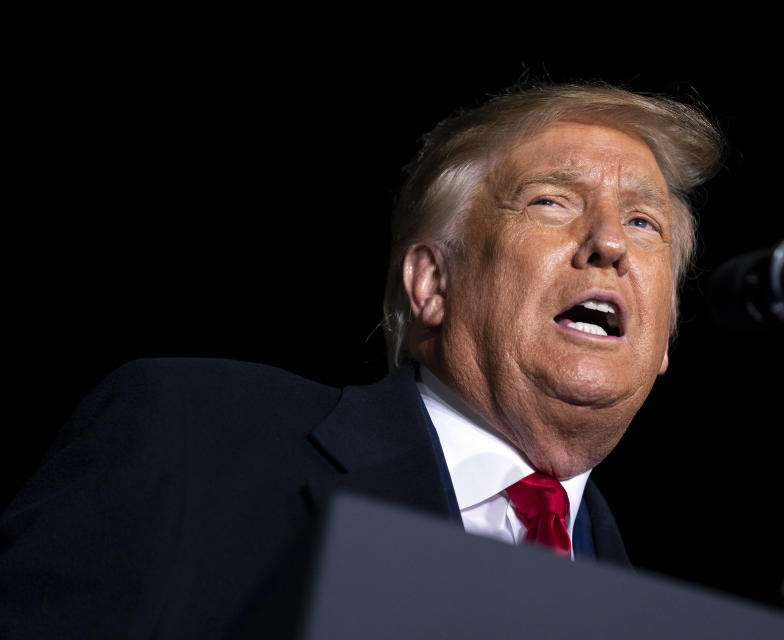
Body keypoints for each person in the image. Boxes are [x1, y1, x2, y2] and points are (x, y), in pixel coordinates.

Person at [0, 83, 723, 638]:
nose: (610, 243)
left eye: (642, 221)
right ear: (433, 283)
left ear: (664, 341)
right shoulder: (193, 438)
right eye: (550, 202)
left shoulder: (646, 607)